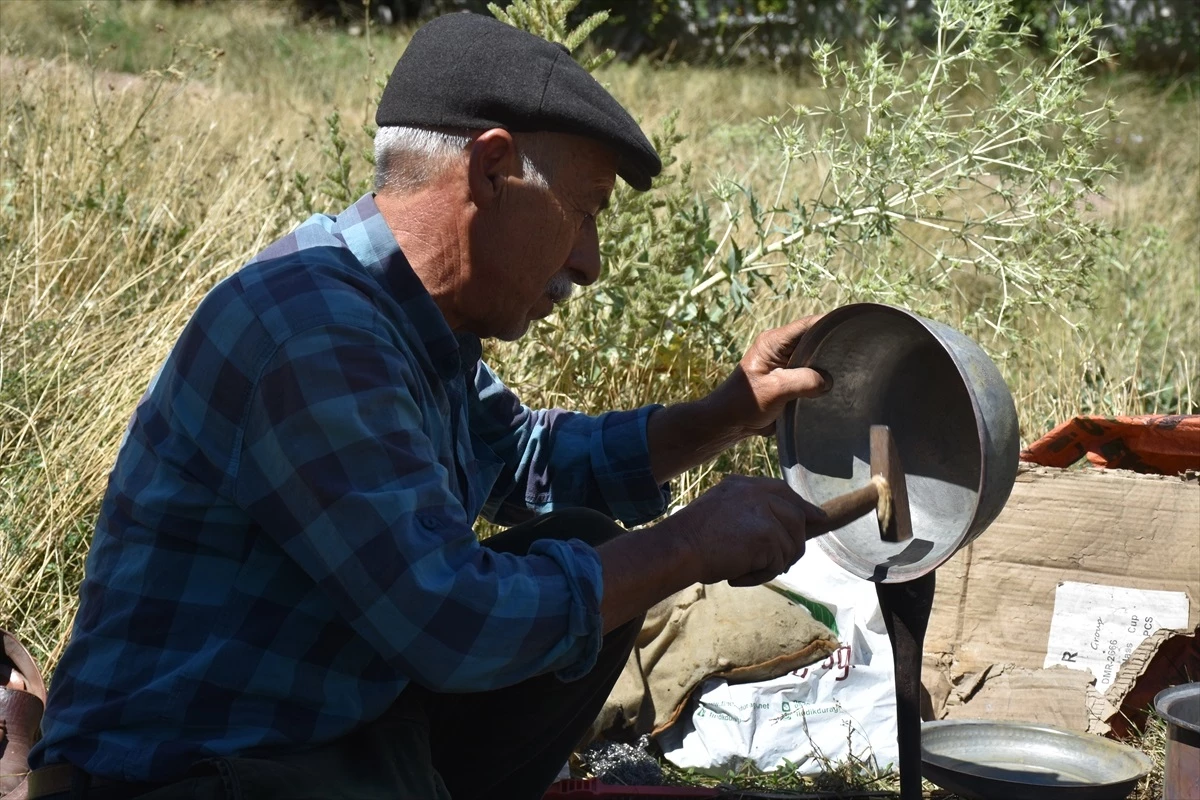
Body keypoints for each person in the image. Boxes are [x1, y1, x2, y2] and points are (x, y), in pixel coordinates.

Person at [26, 13, 829, 800]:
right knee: (600, 571)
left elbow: (523, 458)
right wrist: (686, 545)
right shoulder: (313, 331)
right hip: (196, 772)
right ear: (490, 170)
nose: (589, 262)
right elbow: (452, 623)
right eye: (582, 212)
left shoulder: (409, 317)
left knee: (585, 544)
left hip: (315, 735)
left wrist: (726, 413)